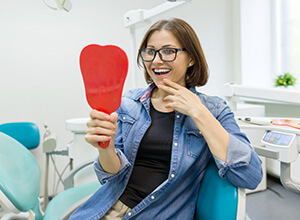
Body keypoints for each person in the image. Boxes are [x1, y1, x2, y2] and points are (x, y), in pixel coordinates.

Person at [69, 18, 262, 220]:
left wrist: (199, 111)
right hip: (106, 208)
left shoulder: (214, 109)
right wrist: (105, 147)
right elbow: (111, 176)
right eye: (150, 51)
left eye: (169, 51)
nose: (157, 60)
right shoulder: (128, 103)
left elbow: (250, 176)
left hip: (159, 214)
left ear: (191, 58)